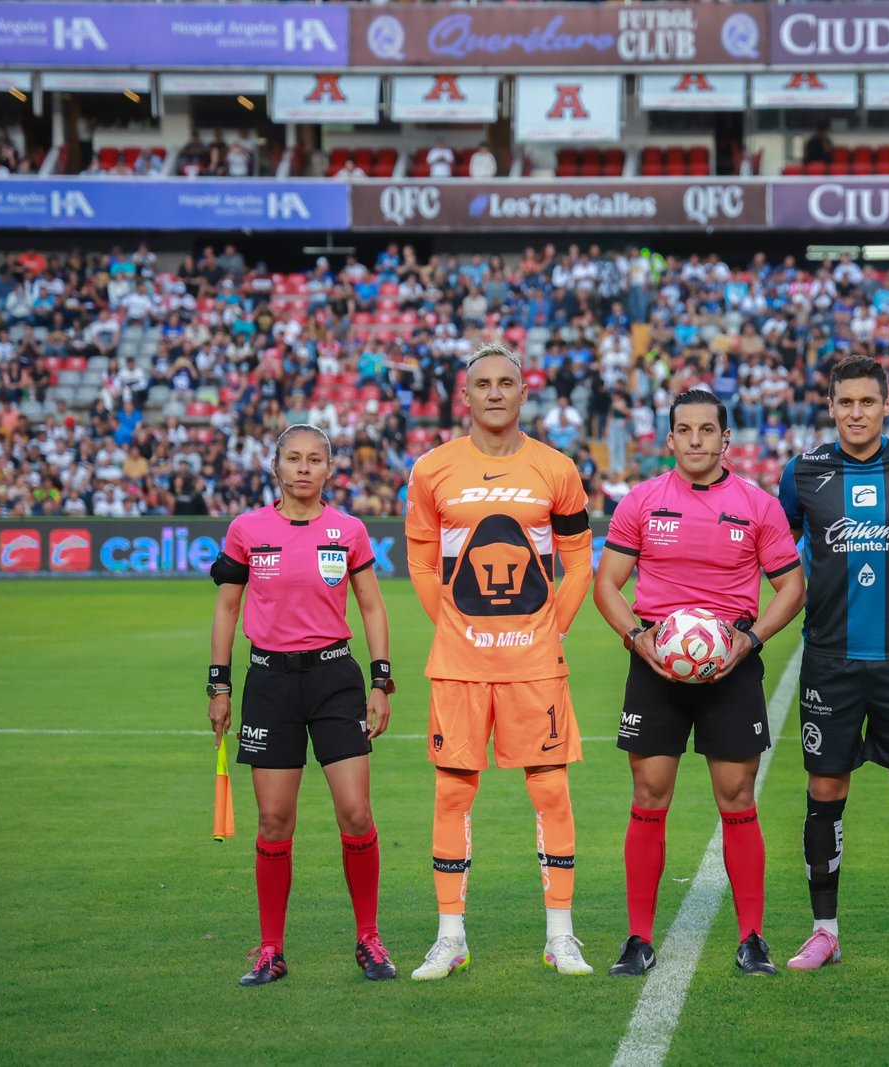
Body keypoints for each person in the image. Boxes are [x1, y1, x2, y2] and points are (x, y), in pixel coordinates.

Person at [594, 388, 806, 978]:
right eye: (684, 430)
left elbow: (792, 588)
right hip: (655, 664)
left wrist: (750, 640)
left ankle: (753, 938)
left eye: (706, 430)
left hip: (731, 665)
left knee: (737, 797)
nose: (695, 440)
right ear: (669, 439)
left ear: (724, 439)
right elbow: (606, 585)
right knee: (649, 794)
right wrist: (639, 639)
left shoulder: (757, 505)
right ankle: (638, 938)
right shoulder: (641, 501)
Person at [403, 344, 596, 979]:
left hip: (534, 663)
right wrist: (460, 628)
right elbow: (424, 564)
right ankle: (450, 936)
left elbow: (576, 564)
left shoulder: (557, 468)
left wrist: (548, 630)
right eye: (481, 384)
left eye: (505, 383)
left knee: (551, 791)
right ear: (465, 396)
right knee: (452, 792)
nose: (493, 393)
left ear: (522, 392)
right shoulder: (431, 469)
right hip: (458, 665)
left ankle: (561, 936)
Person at [774, 356, 889, 973]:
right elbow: (778, 556)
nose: (856, 413)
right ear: (830, 406)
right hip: (829, 657)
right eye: (845, 402)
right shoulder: (802, 474)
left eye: (866, 402)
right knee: (826, 788)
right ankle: (824, 931)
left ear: (886, 404)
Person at [205, 423, 398, 986]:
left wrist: (380, 681)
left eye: (316, 459)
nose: (305, 468)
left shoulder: (349, 530)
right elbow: (225, 612)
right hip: (269, 683)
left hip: (335, 680)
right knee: (273, 819)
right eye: (294, 459)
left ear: (330, 469)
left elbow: (372, 608)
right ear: (277, 467)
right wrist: (219, 686)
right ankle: (270, 949)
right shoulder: (246, 530)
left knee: (356, 813)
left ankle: (369, 939)